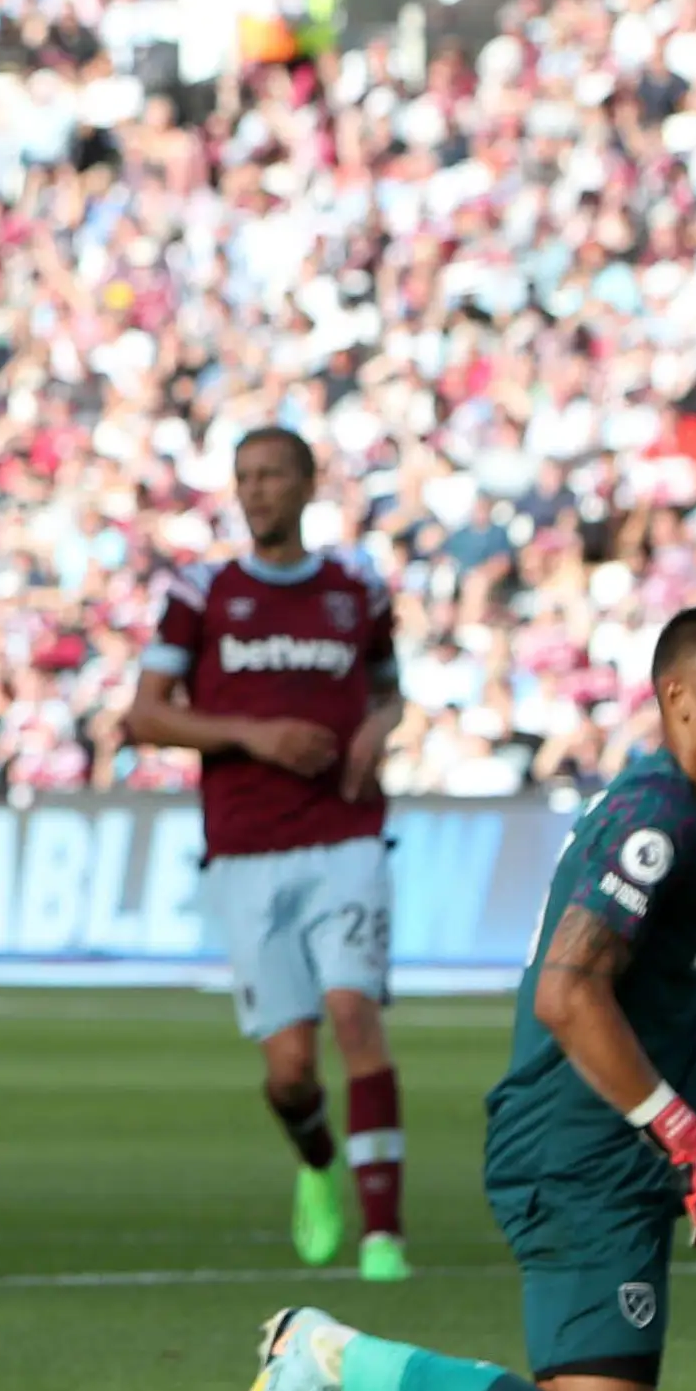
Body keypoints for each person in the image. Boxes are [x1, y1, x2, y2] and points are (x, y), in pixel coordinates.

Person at [237, 605, 696, 1391]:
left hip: (659, 1112)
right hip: (576, 1153)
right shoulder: (649, 816)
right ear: (677, 696)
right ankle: (327, 1352)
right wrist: (688, 1142)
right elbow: (567, 992)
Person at [123, 428, 412, 1282]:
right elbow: (146, 714)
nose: (255, 490)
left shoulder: (355, 584)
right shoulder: (200, 590)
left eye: (271, 475)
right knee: (290, 1071)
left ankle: (384, 1237)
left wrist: (374, 731)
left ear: (307, 483)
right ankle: (318, 1158)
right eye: (244, 477)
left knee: (355, 1013)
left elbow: (392, 693)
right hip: (246, 846)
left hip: (347, 834)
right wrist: (254, 734)